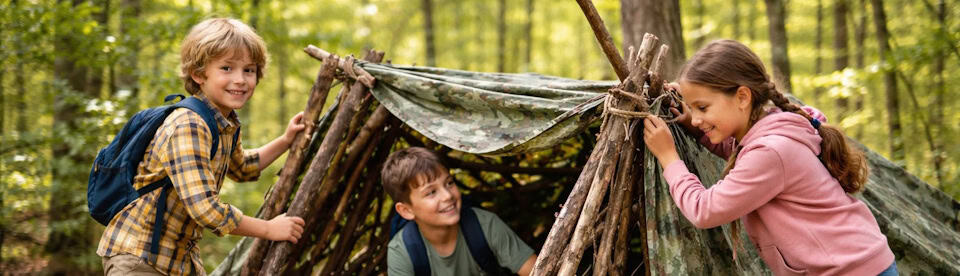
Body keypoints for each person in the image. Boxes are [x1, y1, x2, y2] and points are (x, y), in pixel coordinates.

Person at [642, 40, 897, 276]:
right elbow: (739, 151)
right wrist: (695, 127)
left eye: (703, 107)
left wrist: (669, 157)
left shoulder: (772, 152)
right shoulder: (769, 130)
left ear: (742, 97)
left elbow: (704, 210)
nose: (696, 118)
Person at [97, 18, 306, 275]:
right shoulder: (189, 125)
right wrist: (268, 229)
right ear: (198, 74)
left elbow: (242, 168)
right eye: (227, 68)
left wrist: (285, 141)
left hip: (176, 261)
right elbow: (205, 209)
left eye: (249, 70)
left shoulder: (223, 123)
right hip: (139, 259)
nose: (240, 80)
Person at [382, 147, 538, 276]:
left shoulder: (484, 224)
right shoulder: (402, 252)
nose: (448, 195)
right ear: (406, 211)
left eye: (449, 183)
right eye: (431, 192)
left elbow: (540, 271)